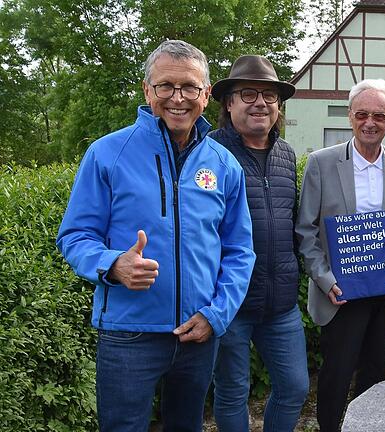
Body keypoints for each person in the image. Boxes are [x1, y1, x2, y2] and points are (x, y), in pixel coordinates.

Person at [56, 40, 256, 431]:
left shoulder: (224, 163)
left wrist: (216, 315)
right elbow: (75, 235)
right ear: (148, 91)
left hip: (198, 333)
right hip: (128, 334)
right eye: (165, 86)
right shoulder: (106, 153)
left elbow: (239, 250)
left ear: (206, 93)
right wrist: (112, 264)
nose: (177, 98)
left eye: (189, 87)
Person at [295, 79, 385, 432]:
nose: (370, 122)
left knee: (374, 373)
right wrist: (325, 279)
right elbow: (305, 231)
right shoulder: (321, 163)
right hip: (340, 294)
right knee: (335, 375)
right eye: (362, 114)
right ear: (350, 116)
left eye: (378, 116)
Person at [207, 55, 309, 431]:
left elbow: (292, 222)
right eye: (247, 93)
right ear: (228, 103)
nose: (260, 102)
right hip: (229, 303)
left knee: (294, 387)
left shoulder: (286, 154)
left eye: (269, 95)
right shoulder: (210, 152)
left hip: (280, 303)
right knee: (232, 391)